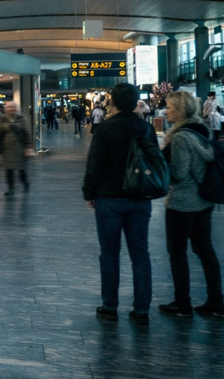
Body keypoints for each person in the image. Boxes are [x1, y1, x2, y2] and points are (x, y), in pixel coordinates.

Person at [83, 82, 156, 325]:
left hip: (109, 198)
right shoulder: (145, 129)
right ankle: (142, 308)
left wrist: (88, 192)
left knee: (110, 254)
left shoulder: (105, 129)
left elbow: (95, 165)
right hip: (139, 198)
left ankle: (109, 305)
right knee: (140, 254)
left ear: (112, 101)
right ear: (136, 102)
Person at [158, 91, 224, 317]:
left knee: (177, 251)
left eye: (168, 107)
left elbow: (178, 173)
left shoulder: (180, 137)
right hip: (204, 200)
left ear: (179, 111)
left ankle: (182, 302)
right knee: (205, 249)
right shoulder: (203, 130)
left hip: (181, 203)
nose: (165, 111)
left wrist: (160, 171)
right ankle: (216, 301)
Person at [0, 101, 32, 196]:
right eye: (9, 107)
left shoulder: (22, 118)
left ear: (16, 109)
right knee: (9, 170)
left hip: (19, 149)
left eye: (13, 107)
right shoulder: (3, 119)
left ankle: (25, 184)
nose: (11, 109)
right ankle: (10, 188)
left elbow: (27, 133)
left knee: (21, 169)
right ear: (6, 109)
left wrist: (28, 147)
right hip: (7, 149)